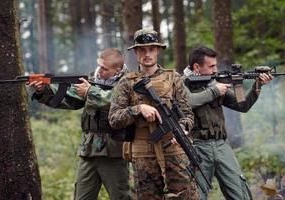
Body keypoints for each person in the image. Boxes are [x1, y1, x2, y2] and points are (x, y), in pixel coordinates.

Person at [108, 28, 199, 200]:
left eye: (151, 49)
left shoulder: (174, 78)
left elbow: (187, 114)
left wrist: (183, 127)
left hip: (175, 149)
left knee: (185, 196)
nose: (147, 54)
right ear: (135, 52)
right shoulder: (126, 82)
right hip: (144, 154)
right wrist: (138, 109)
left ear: (157, 50)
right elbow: (114, 119)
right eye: (142, 49)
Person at [29, 48, 131, 200]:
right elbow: (70, 99)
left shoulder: (128, 82)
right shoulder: (92, 79)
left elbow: (118, 101)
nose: (99, 70)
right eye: (99, 65)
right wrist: (44, 90)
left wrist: (90, 92)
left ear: (117, 70)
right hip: (88, 150)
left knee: (120, 196)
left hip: (114, 152)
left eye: (104, 68)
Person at [182, 46, 273, 200]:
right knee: (195, 195)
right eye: (211, 66)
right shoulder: (180, 83)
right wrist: (215, 91)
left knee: (240, 193)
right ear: (197, 67)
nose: (215, 70)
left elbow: (242, 105)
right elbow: (188, 101)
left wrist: (255, 85)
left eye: (215, 65)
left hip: (221, 145)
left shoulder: (213, 82)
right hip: (197, 146)